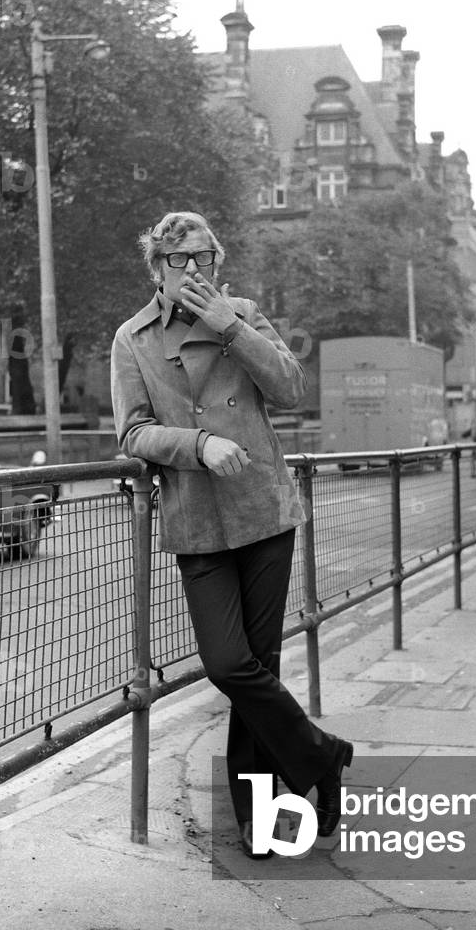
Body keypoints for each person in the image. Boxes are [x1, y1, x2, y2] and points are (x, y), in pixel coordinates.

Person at [110, 211, 353, 858]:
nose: (194, 271)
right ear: (156, 268)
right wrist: (199, 443)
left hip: (264, 513)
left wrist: (228, 326)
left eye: (205, 258)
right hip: (197, 518)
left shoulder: (242, 314)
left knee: (260, 669)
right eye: (180, 260)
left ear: (218, 262)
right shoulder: (132, 338)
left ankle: (259, 819)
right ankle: (321, 756)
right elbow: (132, 433)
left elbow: (292, 389)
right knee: (228, 664)